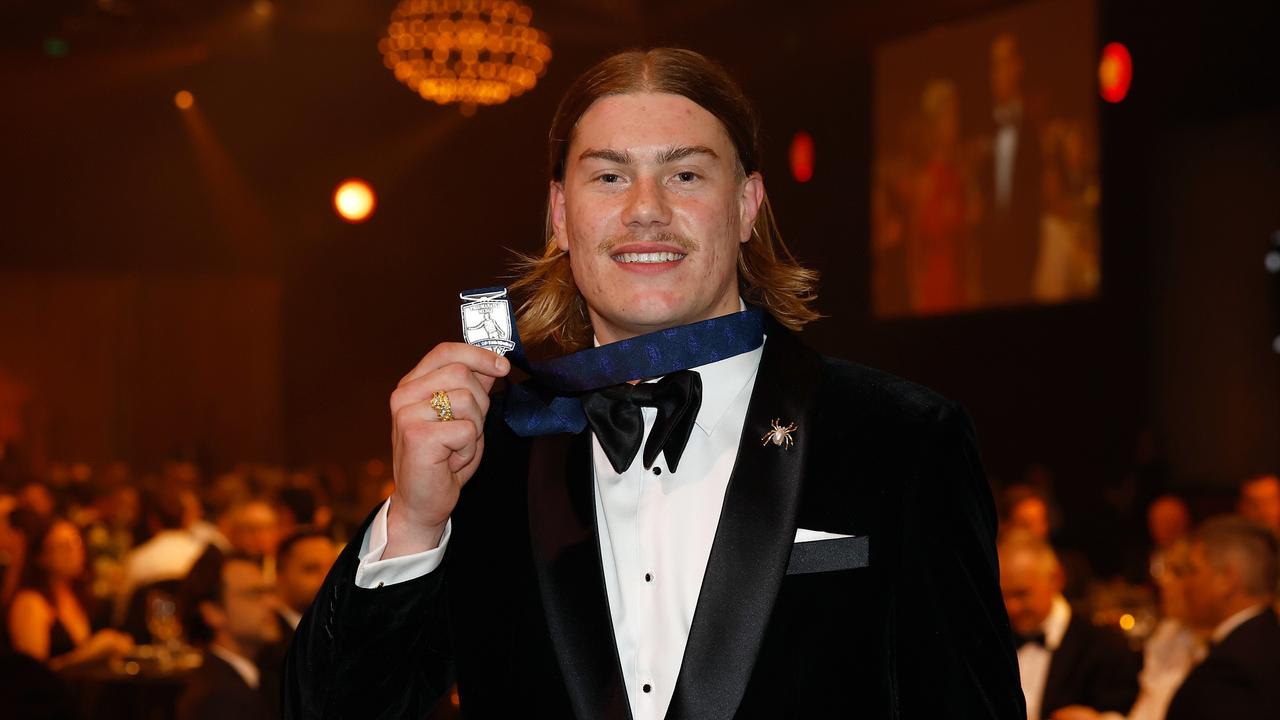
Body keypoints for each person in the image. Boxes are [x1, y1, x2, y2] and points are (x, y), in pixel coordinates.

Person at [286, 47, 1024, 719]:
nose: (645, 208)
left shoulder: (901, 438)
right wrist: (415, 522)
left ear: (745, 207)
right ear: (561, 216)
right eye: (608, 175)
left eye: (685, 174)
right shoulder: (490, 450)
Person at [998, 530, 1140, 720]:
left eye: (1021, 594)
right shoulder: (990, 642)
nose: (1011, 608)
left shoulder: (1105, 646)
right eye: (1002, 596)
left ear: (1056, 579)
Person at [1165, 515, 1280, 720]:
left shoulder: (1232, 673)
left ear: (1226, 580)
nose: (1185, 585)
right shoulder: (1265, 640)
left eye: (1193, 571)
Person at [7, 514, 134, 670]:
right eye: (63, 546)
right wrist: (92, 651)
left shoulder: (75, 595)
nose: (75, 553)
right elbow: (32, 674)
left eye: (77, 543)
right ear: (40, 556)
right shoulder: (30, 602)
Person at [176, 547, 281, 720]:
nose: (272, 603)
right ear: (213, 612)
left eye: (269, 592)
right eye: (254, 594)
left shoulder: (249, 678)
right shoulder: (218, 698)